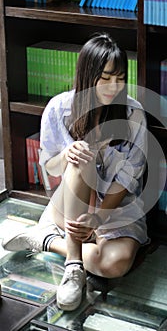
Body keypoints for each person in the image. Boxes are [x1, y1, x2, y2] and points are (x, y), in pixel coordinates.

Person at [2, 32, 149, 311]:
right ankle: (73, 266)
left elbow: (128, 180)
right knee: (81, 155)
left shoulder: (133, 113)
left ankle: (45, 240)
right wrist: (66, 155)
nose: (113, 86)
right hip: (71, 203)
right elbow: (49, 166)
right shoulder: (58, 108)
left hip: (115, 208)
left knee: (113, 265)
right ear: (87, 74)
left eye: (119, 78)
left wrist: (99, 217)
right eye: (105, 78)